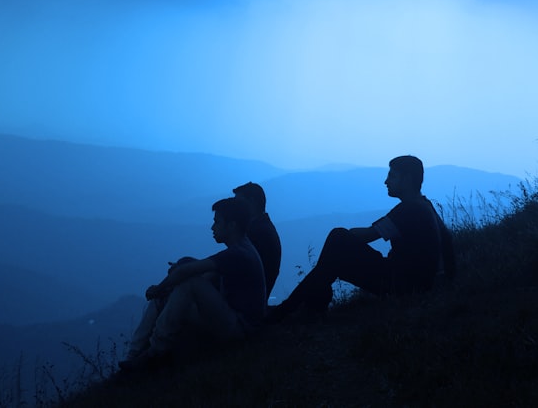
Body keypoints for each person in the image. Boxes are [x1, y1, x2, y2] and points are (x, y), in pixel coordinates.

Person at [265, 155, 456, 323]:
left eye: (392, 176)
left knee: (338, 237)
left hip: (402, 285)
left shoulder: (409, 210)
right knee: (335, 250)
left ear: (407, 179)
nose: (386, 181)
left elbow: (368, 235)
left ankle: (291, 310)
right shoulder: (424, 205)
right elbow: (446, 246)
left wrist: (344, 236)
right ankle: (303, 307)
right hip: (416, 283)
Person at [119, 197, 266, 371]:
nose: (212, 228)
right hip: (232, 320)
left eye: (217, 222)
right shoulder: (243, 248)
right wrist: (178, 273)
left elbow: (188, 272)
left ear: (232, 225)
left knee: (188, 283)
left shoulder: (238, 254)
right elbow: (202, 269)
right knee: (171, 288)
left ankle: (155, 353)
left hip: (240, 329)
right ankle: (133, 356)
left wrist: (159, 288)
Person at [232, 181, 282, 301]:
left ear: (252, 202)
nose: (234, 207)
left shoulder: (257, 233)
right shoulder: (262, 227)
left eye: (238, 203)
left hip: (246, 302)